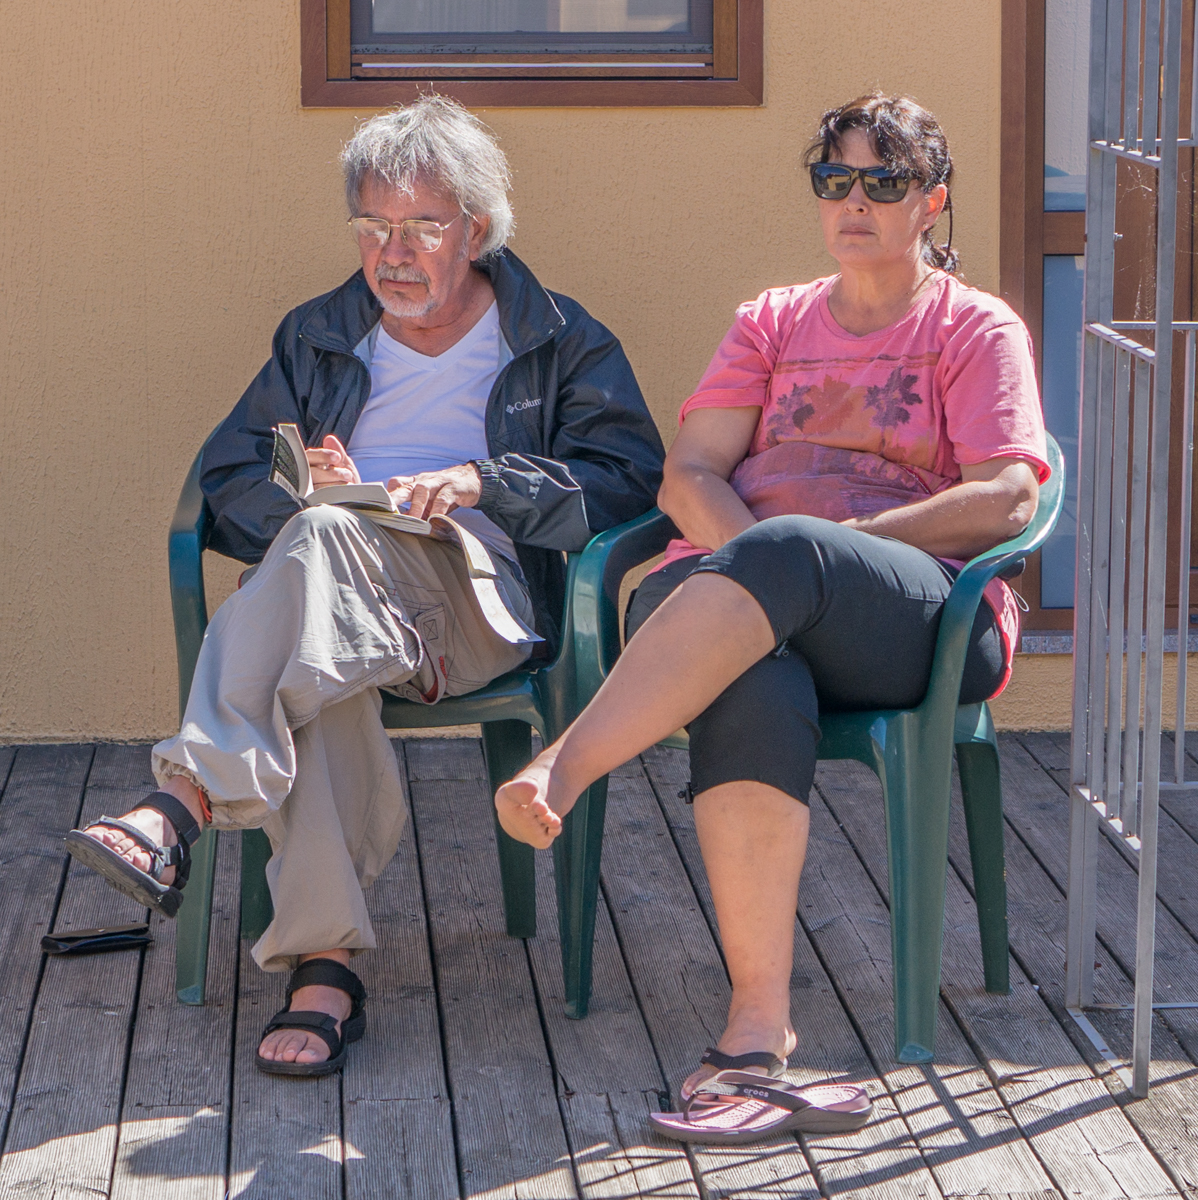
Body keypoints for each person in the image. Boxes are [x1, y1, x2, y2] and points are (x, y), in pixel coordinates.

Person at [66, 95, 664, 1077]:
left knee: (311, 565)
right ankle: (325, 970)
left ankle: (182, 800)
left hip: (477, 603)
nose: (393, 252)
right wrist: (310, 492)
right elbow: (227, 483)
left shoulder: (559, 338)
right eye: (374, 226)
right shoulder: (319, 334)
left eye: (422, 226)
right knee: (317, 580)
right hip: (334, 611)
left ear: (475, 228)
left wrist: (484, 484)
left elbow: (628, 486)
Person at [494, 93, 1049, 1140]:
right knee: (754, 666)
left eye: (882, 182)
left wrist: (831, 552)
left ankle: (568, 759)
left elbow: (1007, 500)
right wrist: (764, 563)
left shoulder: (972, 326)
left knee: (788, 556)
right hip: (749, 606)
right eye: (834, 179)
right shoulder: (771, 320)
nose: (855, 201)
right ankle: (754, 1039)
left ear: (929, 200)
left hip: (916, 614)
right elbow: (688, 474)